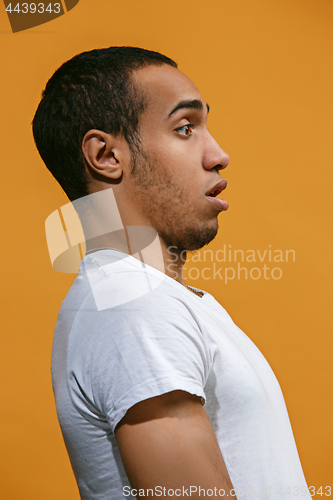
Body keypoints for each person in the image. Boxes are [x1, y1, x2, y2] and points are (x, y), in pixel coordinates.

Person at [33, 47, 311, 500]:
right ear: (105, 155)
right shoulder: (134, 307)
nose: (218, 155)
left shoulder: (143, 298)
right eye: (185, 128)